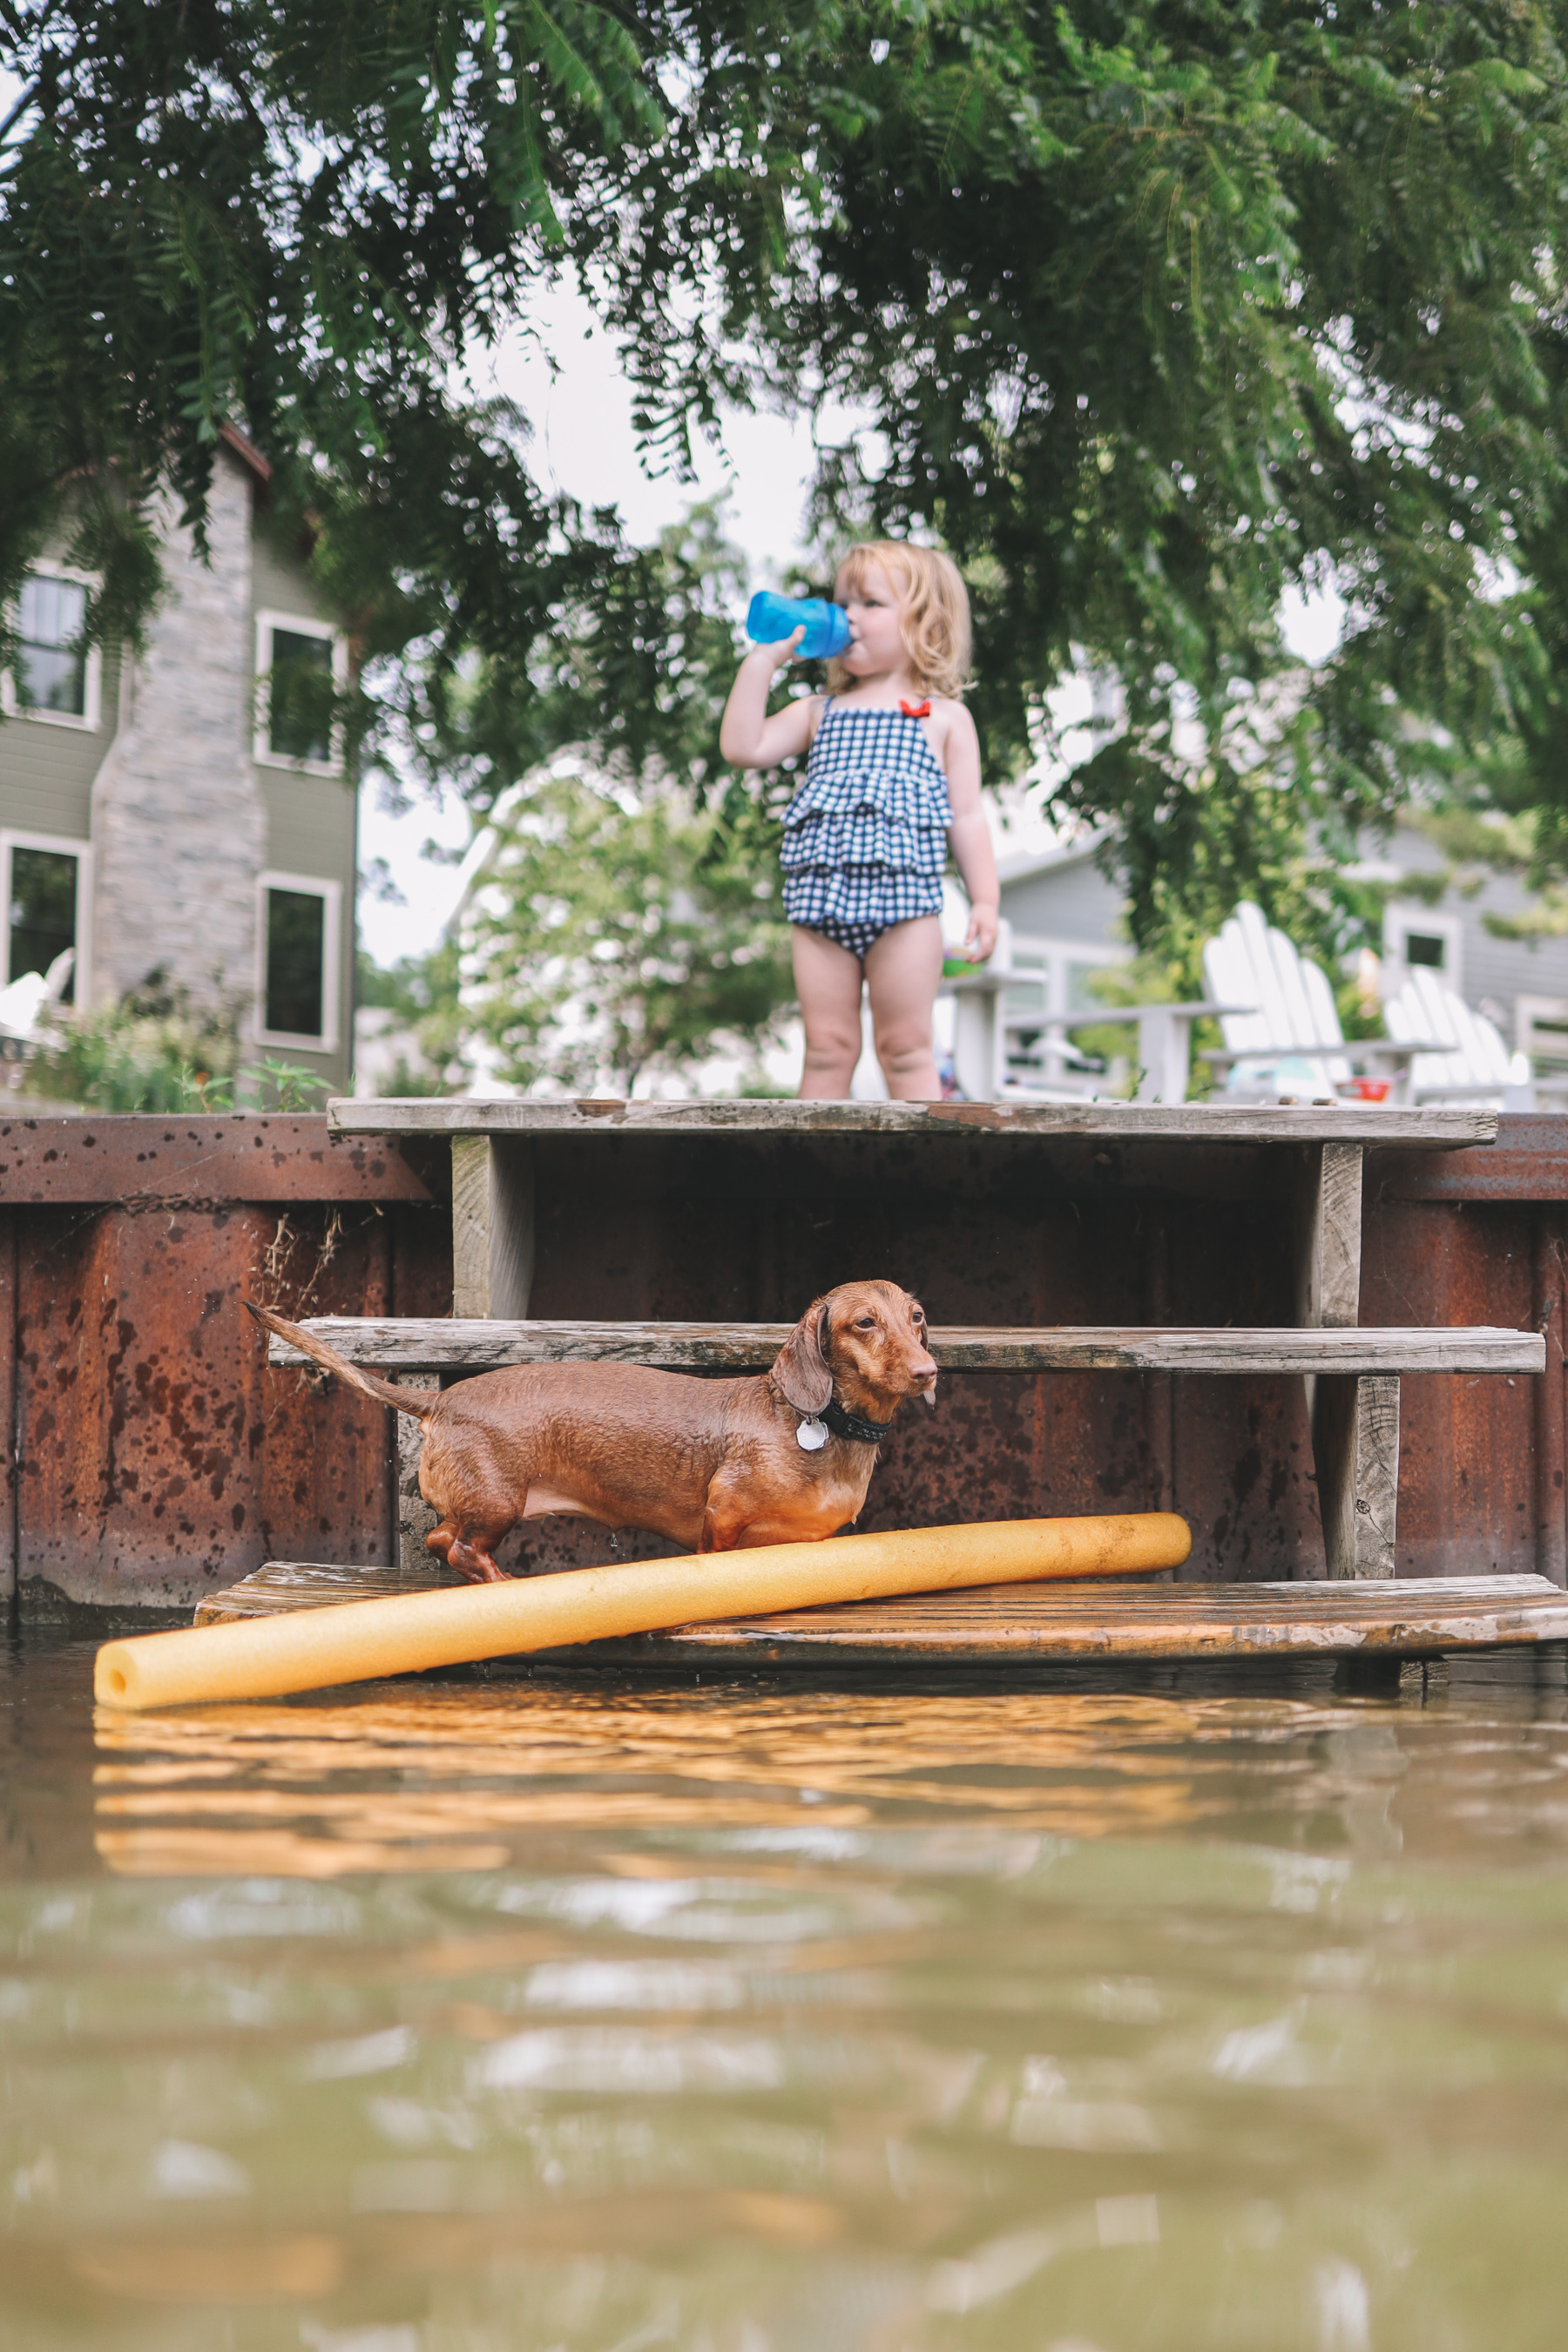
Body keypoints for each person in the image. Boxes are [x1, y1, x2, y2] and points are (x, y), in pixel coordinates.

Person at [720, 541, 999, 1100]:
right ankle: (813, 1181)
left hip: (906, 910)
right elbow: (742, 746)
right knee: (827, 1049)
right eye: (842, 601)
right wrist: (762, 661)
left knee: (907, 1048)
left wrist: (986, 901)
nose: (847, 616)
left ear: (926, 624)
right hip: (821, 909)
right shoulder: (818, 712)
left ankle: (920, 1177)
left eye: (869, 603)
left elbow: (967, 817)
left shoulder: (943, 718)